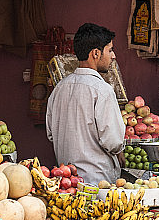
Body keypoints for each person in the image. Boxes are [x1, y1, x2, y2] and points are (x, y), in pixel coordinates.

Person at [45, 23, 125, 183]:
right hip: (97, 182)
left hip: (67, 182)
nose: (113, 56)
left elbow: (51, 134)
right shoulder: (103, 90)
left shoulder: (59, 88)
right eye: (110, 50)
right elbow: (113, 141)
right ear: (95, 53)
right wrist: (119, 152)